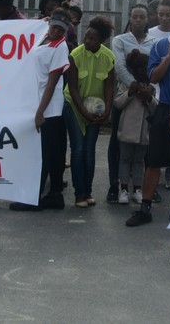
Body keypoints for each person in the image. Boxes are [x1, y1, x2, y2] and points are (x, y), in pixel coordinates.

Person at [126, 1, 170, 227]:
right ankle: (145, 208)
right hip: (165, 107)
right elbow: (154, 78)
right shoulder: (160, 46)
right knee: (154, 160)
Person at [9, 7, 72, 212]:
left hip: (49, 108)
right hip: (37, 102)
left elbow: (52, 84)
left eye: (60, 29)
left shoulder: (60, 47)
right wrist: (41, 22)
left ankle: (35, 197)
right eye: (54, 26)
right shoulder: (43, 37)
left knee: (45, 154)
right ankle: (54, 195)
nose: (56, 31)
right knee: (51, 153)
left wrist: (40, 112)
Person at [106, 4, 156, 203]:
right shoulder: (119, 40)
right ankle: (115, 185)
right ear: (130, 18)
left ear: (147, 19)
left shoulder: (155, 41)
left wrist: (148, 89)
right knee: (118, 145)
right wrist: (134, 87)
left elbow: (156, 66)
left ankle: (140, 186)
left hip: (147, 95)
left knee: (144, 146)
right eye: (134, 16)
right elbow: (119, 65)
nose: (137, 20)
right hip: (127, 94)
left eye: (142, 17)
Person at [63, 16, 115, 208]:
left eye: (93, 39)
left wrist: (107, 110)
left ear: (101, 40)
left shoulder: (108, 57)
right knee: (78, 149)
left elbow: (109, 87)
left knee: (90, 150)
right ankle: (79, 194)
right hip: (75, 107)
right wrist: (83, 112)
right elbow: (73, 88)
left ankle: (89, 192)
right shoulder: (75, 55)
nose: (87, 41)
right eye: (86, 37)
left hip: (96, 110)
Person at [114, 49, 156, 205]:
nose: (141, 72)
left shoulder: (151, 88)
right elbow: (117, 104)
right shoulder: (126, 85)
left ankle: (138, 189)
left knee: (139, 161)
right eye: (138, 68)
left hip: (143, 132)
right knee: (124, 160)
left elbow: (156, 108)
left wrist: (149, 98)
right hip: (126, 130)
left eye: (145, 68)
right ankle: (123, 189)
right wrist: (129, 94)